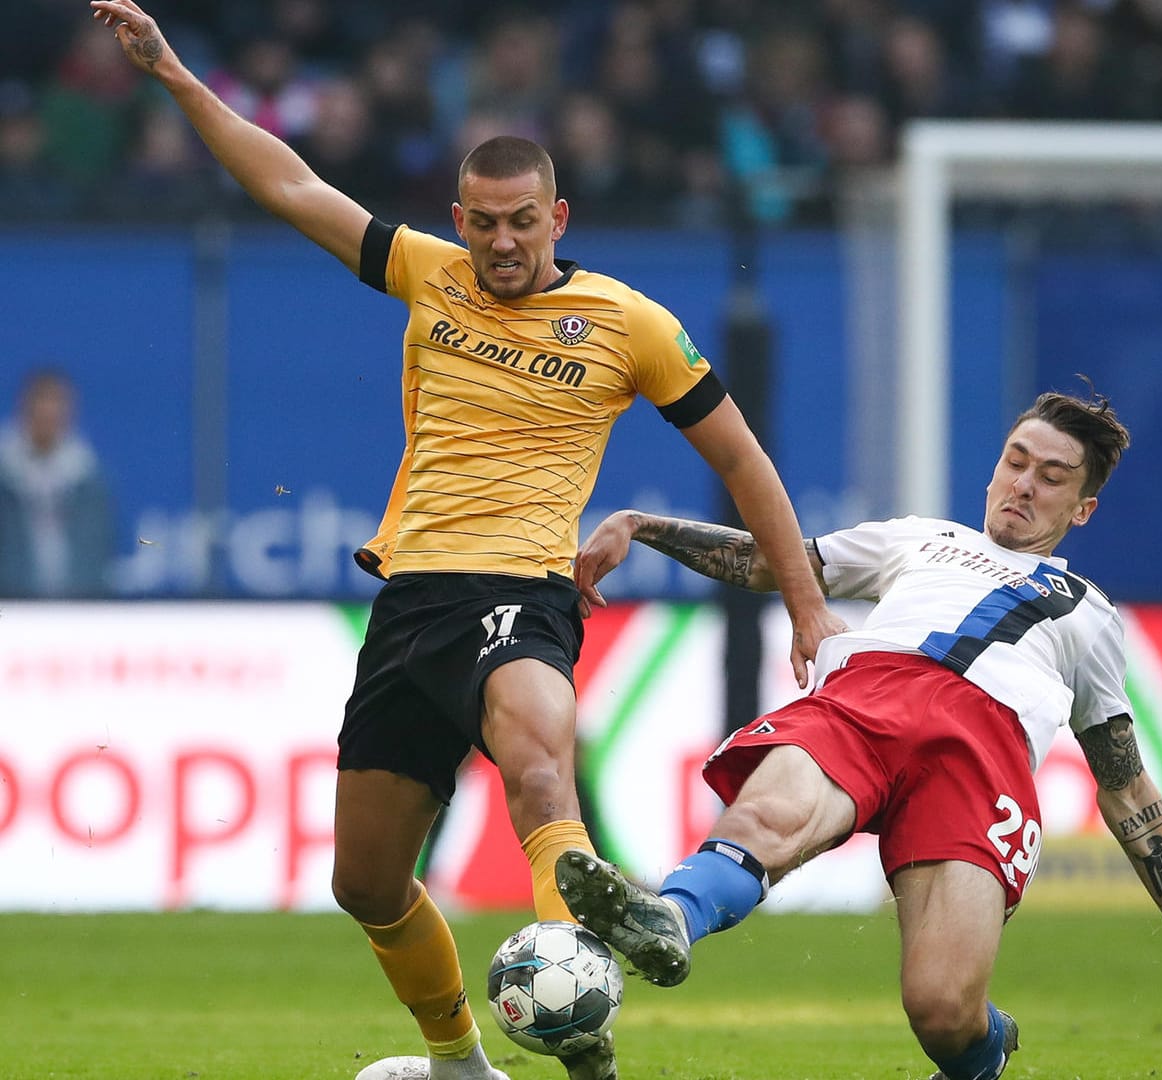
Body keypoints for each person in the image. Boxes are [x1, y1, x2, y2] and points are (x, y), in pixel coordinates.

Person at [91, 4, 844, 1080]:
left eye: (521, 223)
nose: (500, 243)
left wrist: (806, 603)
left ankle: (582, 1017)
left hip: (522, 589)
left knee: (539, 768)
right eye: (483, 222)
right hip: (411, 604)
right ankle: (459, 1063)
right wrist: (171, 72)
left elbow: (745, 462)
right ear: (460, 217)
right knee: (367, 882)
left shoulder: (629, 324)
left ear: (557, 215)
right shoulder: (425, 272)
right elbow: (290, 184)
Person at [560, 390, 1162, 1080]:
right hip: (868, 697)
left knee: (942, 1012)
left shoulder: (1088, 615)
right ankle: (670, 920)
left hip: (979, 759)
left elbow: (1125, 787)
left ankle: (986, 1049)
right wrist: (642, 525)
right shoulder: (921, 539)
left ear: (1084, 508)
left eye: (1052, 476)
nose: (1023, 484)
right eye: (1015, 461)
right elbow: (770, 562)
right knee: (768, 816)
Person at [0, 368, 117, 598]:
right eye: (41, 408)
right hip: (12, 605)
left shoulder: (89, 478)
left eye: (56, 410)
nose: (48, 417)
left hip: (76, 609)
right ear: (25, 410)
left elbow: (97, 550)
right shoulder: (5, 474)